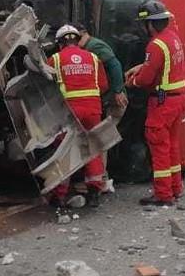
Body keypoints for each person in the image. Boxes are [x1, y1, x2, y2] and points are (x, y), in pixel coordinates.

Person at [125, 0, 185, 207]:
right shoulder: (173, 37)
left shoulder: (155, 44)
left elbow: (145, 80)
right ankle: (176, 188)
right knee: (172, 145)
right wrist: (141, 66)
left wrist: (131, 81)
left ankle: (163, 194)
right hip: (178, 98)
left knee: (159, 146)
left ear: (149, 24)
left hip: (163, 102)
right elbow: (161, 64)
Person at [48, 25, 108, 208]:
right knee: (92, 150)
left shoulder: (55, 60)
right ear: (76, 40)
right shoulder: (93, 57)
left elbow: (47, 91)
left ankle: (59, 196)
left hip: (69, 113)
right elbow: (104, 85)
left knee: (65, 151)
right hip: (92, 110)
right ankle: (94, 192)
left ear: (60, 44)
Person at [76, 24, 127, 117]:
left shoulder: (94, 46)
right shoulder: (87, 47)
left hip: (113, 98)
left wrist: (118, 91)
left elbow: (115, 65)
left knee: (108, 128)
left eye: (77, 38)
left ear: (83, 33)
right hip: (107, 97)